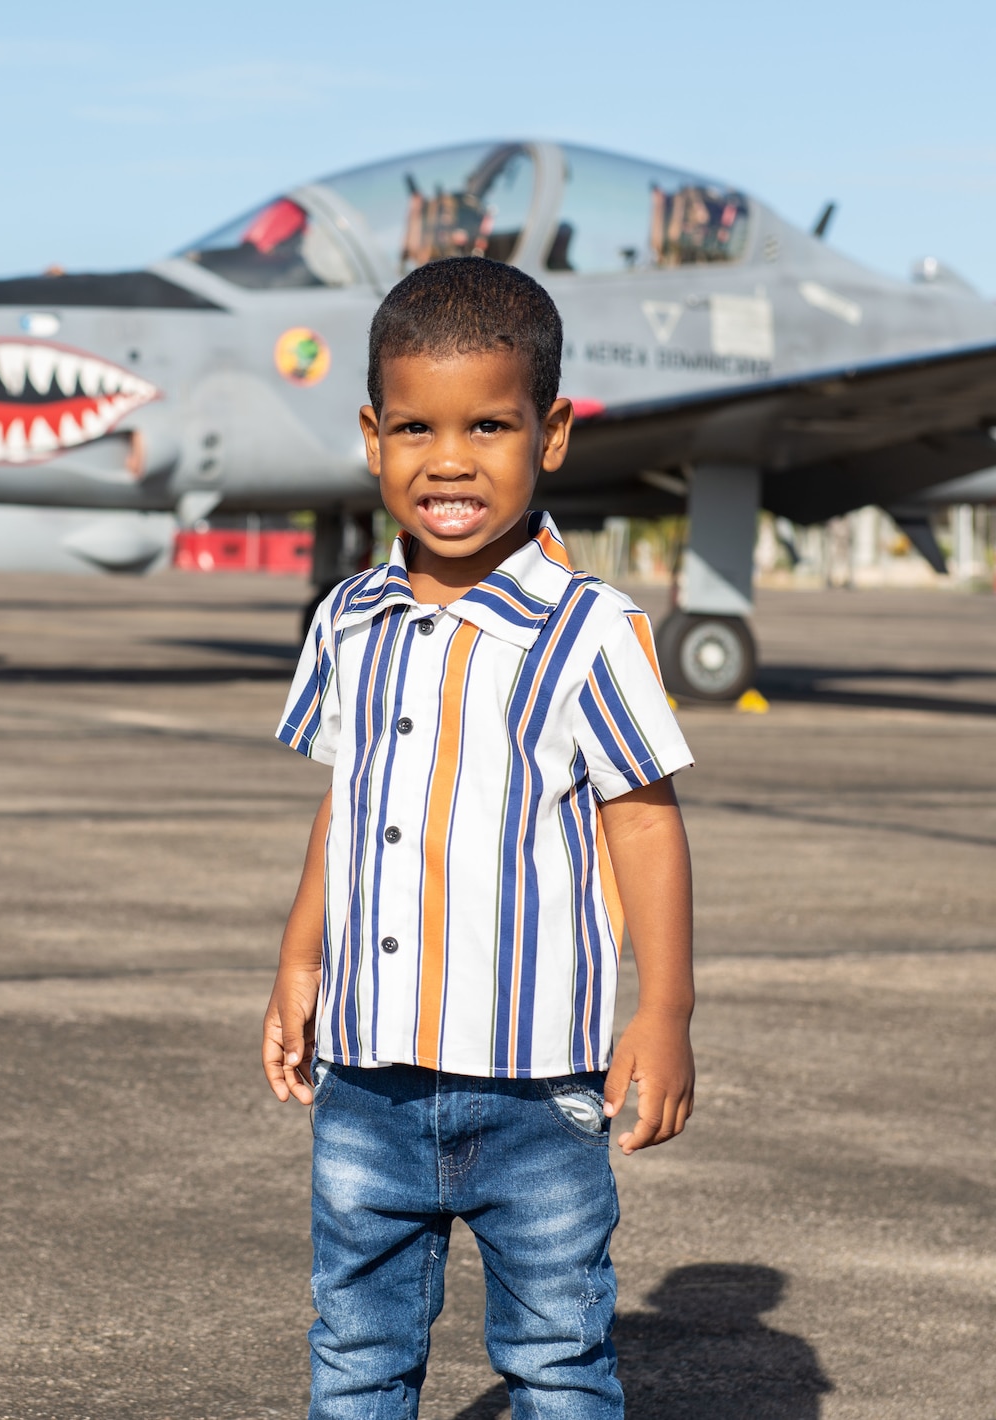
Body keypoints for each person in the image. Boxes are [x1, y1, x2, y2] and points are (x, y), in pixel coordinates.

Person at [262, 258, 696, 1419]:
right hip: (365, 1081)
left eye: (488, 425)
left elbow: (643, 822)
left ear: (548, 434)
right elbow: (343, 800)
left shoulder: (588, 632)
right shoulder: (348, 620)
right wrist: (298, 963)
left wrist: (662, 1012)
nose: (447, 460)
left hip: (536, 1092)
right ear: (370, 432)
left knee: (555, 1357)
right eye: (414, 425)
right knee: (354, 1346)